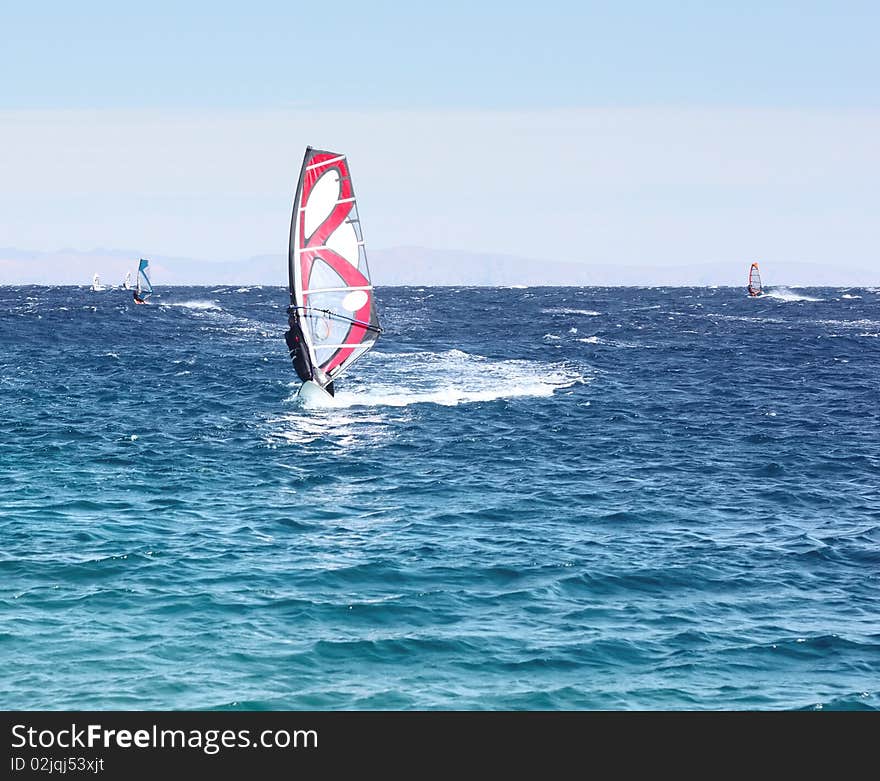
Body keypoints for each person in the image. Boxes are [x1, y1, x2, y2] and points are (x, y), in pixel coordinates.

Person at [285, 308, 335, 396]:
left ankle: (328, 393)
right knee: (308, 375)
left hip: (317, 360)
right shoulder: (292, 333)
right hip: (303, 359)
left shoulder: (301, 330)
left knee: (322, 375)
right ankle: (322, 387)